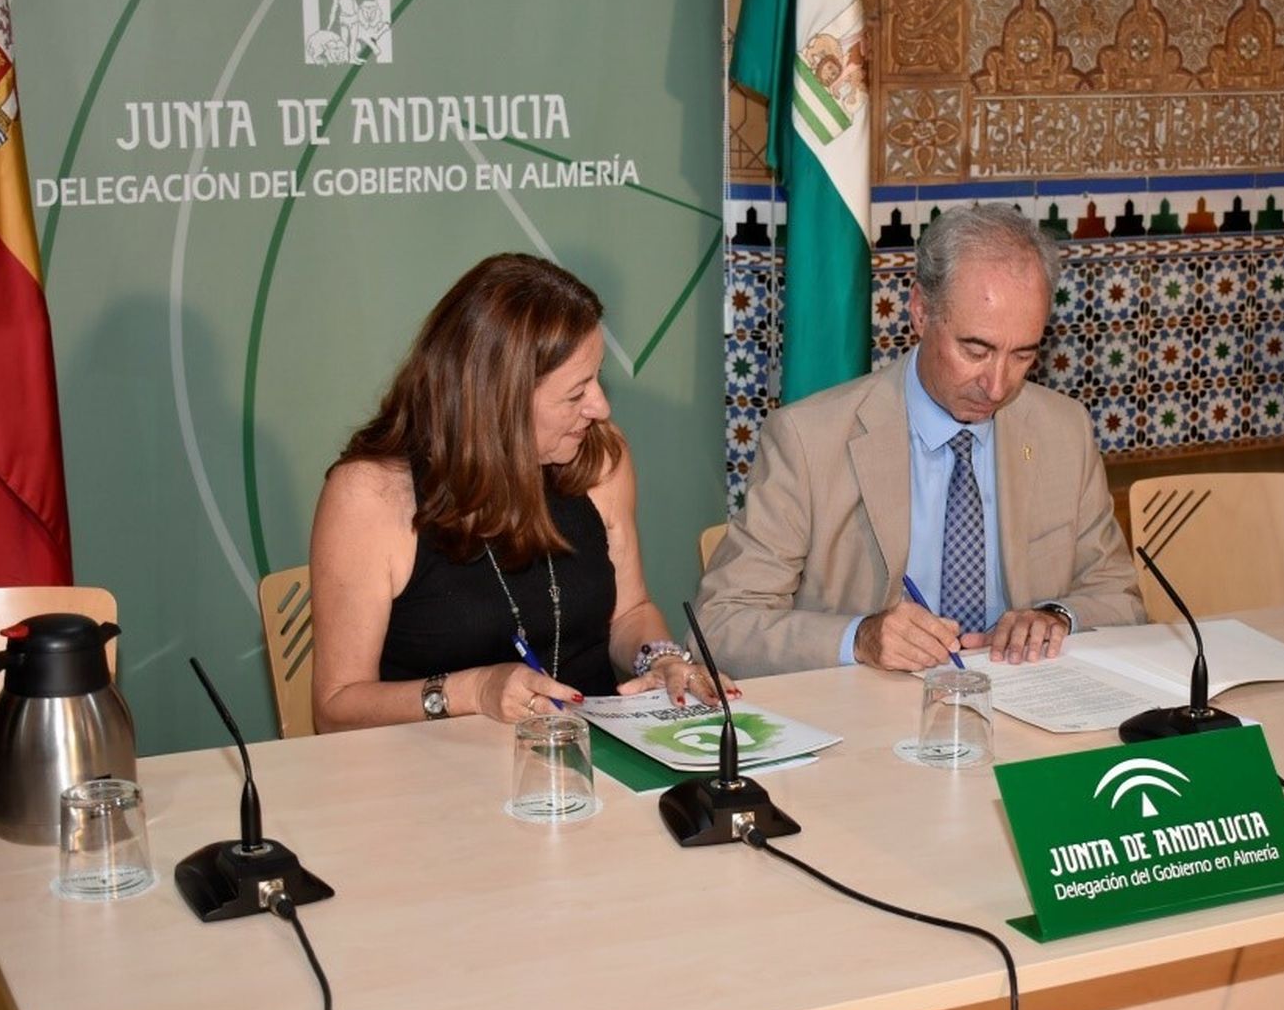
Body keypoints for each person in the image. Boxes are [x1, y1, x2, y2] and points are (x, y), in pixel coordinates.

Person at [696, 205, 1143, 678]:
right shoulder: (809, 440)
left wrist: (1056, 617)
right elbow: (720, 625)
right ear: (920, 312)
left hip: (1022, 698)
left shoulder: (1064, 430)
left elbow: (1123, 600)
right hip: (868, 708)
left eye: (1022, 355)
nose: (996, 386)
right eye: (976, 350)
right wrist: (859, 638)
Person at [310, 253, 733, 732]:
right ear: (499, 402)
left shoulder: (600, 456)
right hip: (432, 764)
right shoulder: (371, 495)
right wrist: (473, 691)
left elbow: (629, 611)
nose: (600, 406)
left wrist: (661, 660)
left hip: (592, 752)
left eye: (597, 378)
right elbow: (335, 708)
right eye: (576, 393)